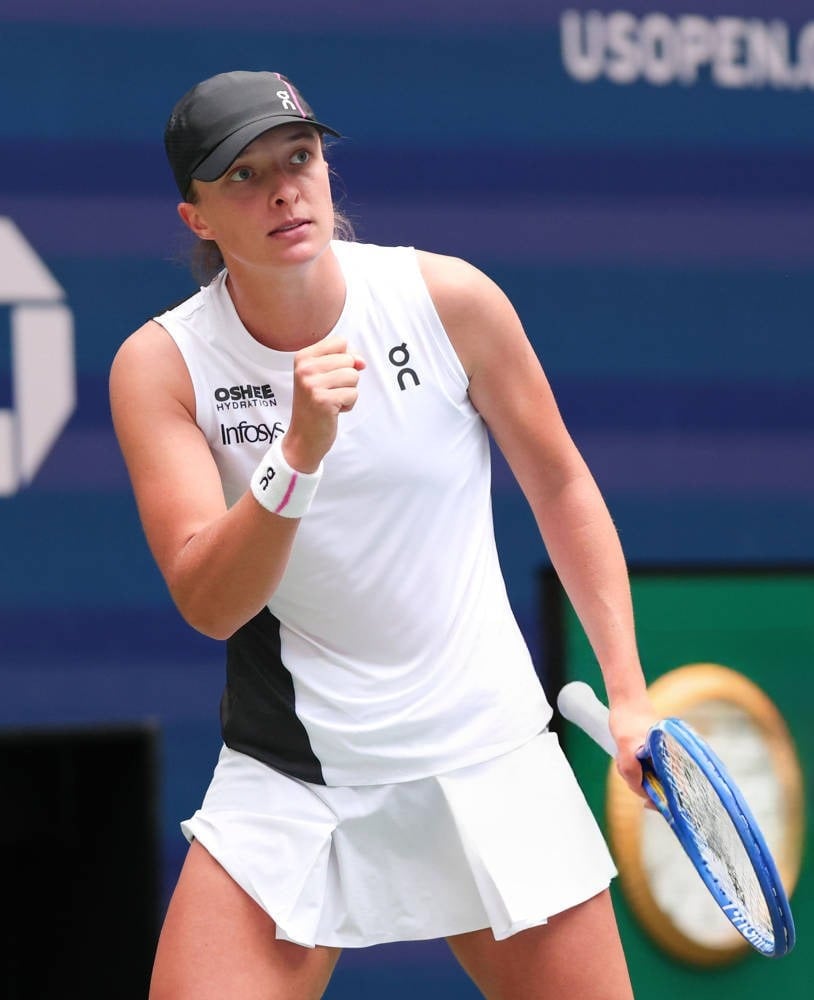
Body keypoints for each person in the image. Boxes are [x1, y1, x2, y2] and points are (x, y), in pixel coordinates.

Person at [110, 69, 656, 1000]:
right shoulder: (163, 366)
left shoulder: (449, 301)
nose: (284, 190)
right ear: (196, 218)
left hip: (488, 756)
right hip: (294, 777)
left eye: (299, 158)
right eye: (243, 175)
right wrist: (296, 457)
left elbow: (561, 483)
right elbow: (209, 602)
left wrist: (630, 694)